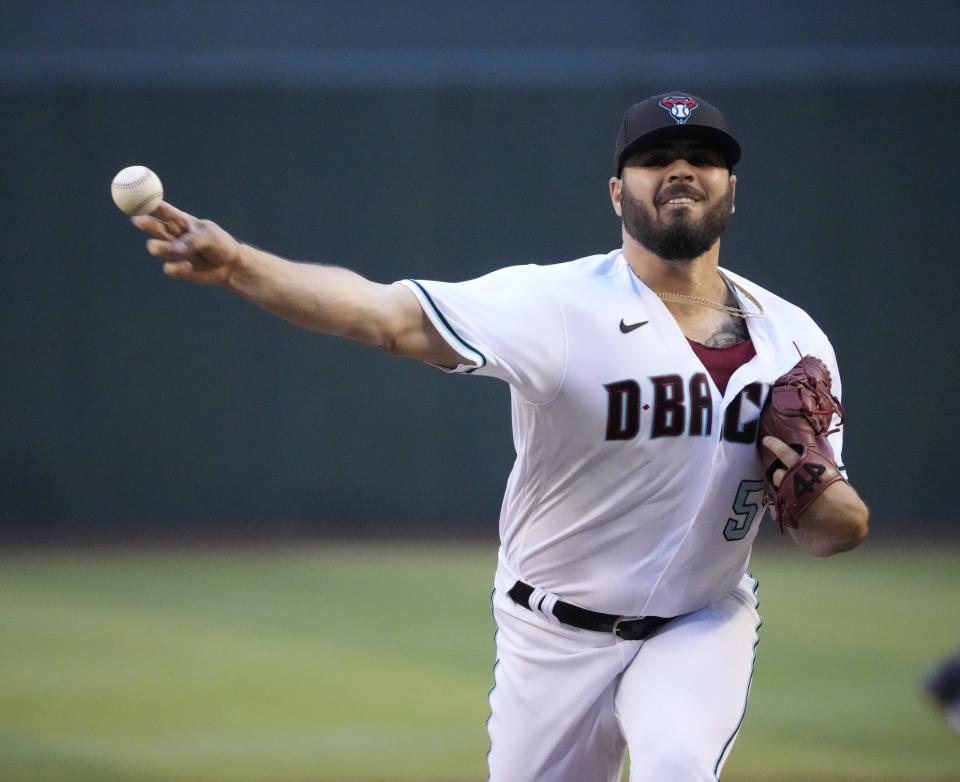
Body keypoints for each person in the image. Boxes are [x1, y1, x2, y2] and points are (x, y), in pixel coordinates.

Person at [130, 92, 869, 781]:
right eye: (654, 158)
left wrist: (826, 495)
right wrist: (239, 268)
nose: (680, 170)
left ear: (730, 188)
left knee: (676, 765)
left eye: (703, 157)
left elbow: (829, 531)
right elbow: (387, 317)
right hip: (551, 634)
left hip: (697, 622)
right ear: (618, 193)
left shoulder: (794, 340)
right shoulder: (558, 305)